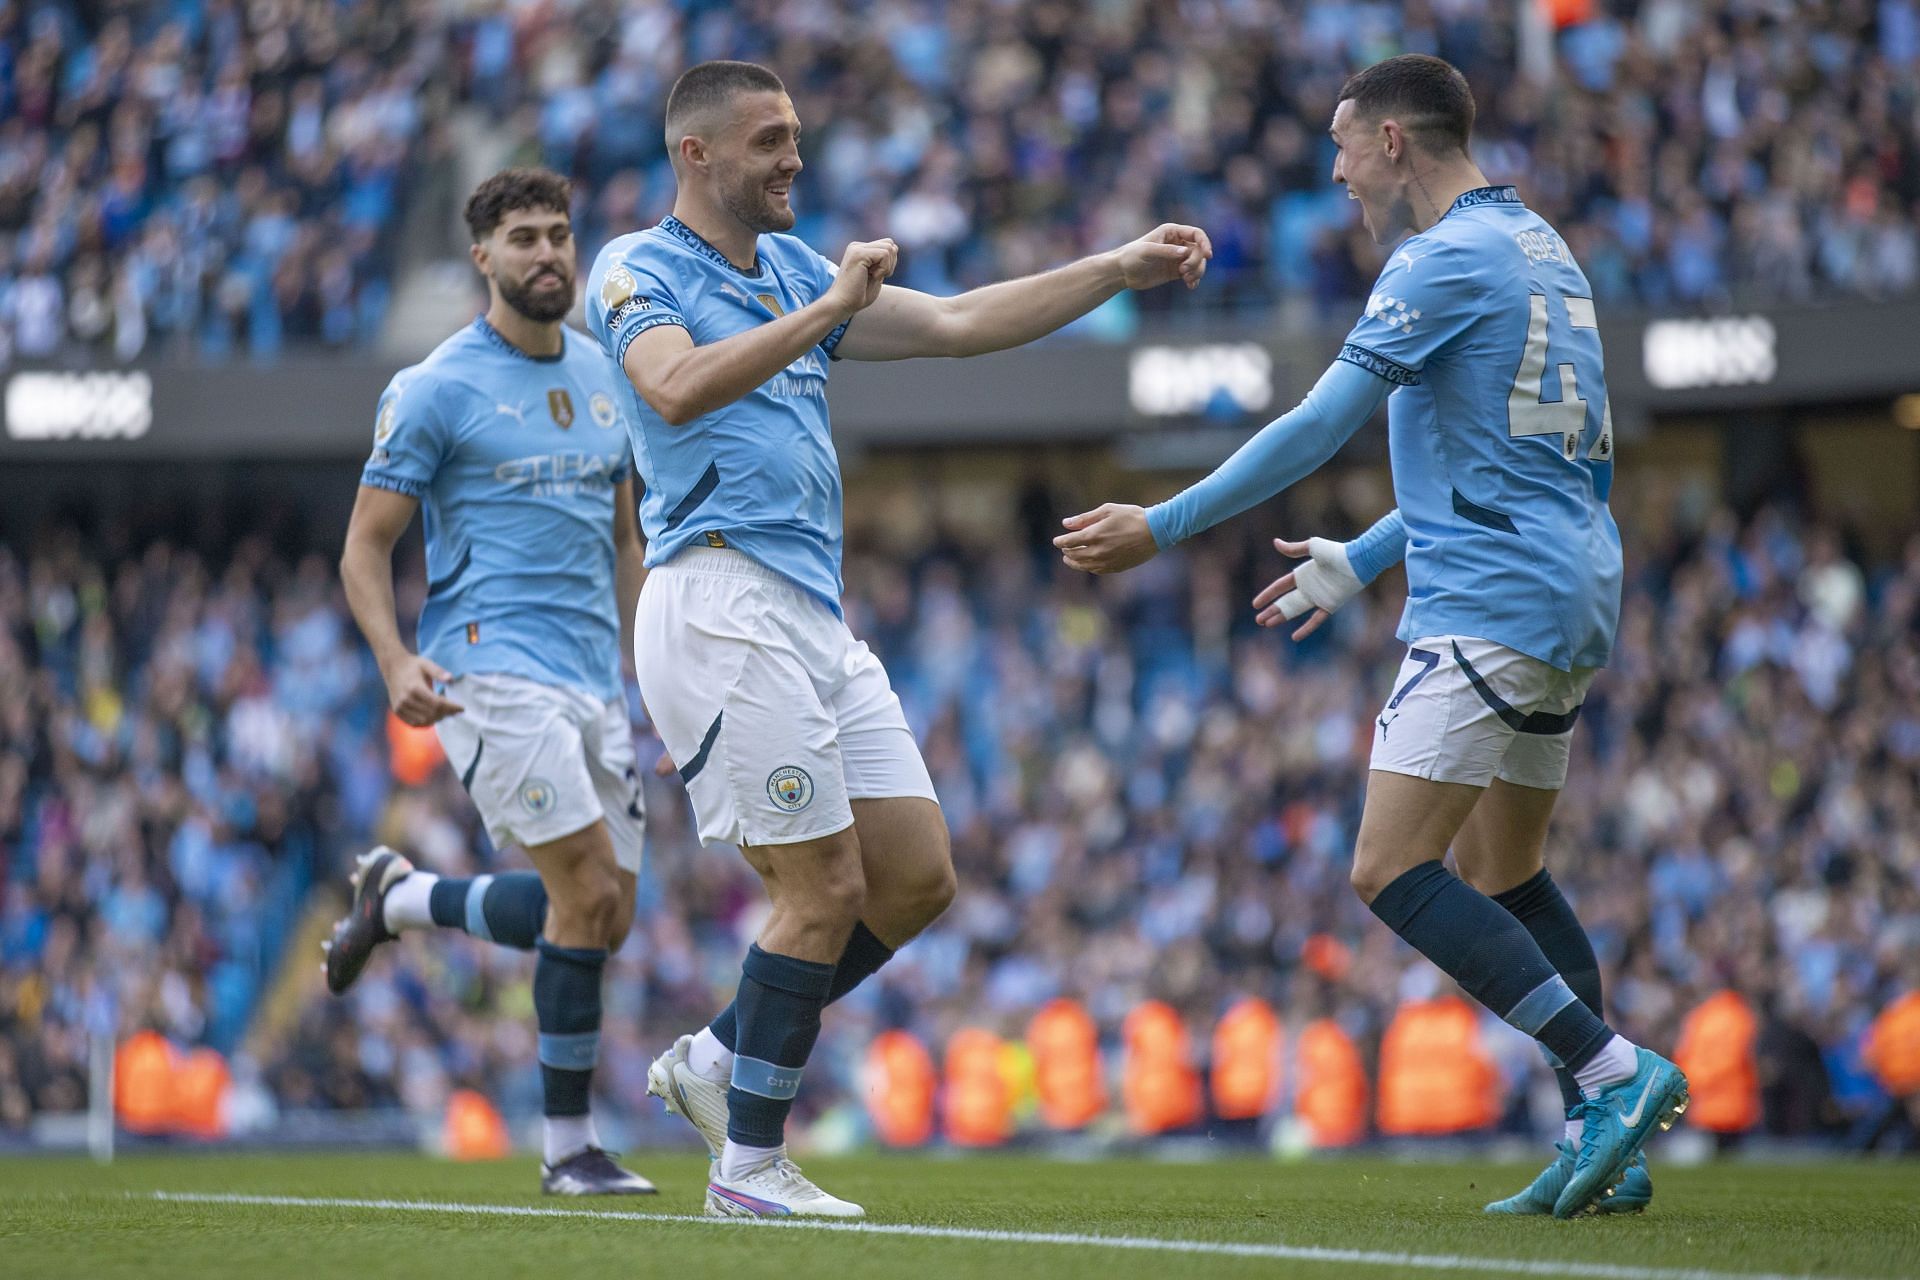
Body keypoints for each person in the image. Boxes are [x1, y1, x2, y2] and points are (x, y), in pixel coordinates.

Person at [1054, 54, 1686, 1219]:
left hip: (1488, 597)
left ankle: (1610, 1073)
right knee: (1509, 871)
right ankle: (1615, 1147)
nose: (1336, 172)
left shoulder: (1438, 259)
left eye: (1345, 147)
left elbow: (1316, 425)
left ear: (1394, 141)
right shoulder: (1542, 248)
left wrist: (1165, 523)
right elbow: (1513, 454)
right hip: (1567, 586)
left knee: (1389, 867)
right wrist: (1362, 556)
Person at [586, 59, 1210, 1219]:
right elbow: (670, 391)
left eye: (796, 136)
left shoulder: (785, 265)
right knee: (820, 883)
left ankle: (721, 1059)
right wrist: (826, 313)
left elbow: (967, 321)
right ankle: (749, 1166)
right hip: (717, 597)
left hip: (813, 613)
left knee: (914, 877)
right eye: (771, 139)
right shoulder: (637, 267)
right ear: (697, 155)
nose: (795, 159)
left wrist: (1115, 264)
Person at [328, 168, 655, 1197]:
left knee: (606, 915)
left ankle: (403, 895)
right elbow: (363, 547)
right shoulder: (435, 386)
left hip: (594, 676)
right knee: (587, 889)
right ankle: (567, 1149)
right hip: (486, 666)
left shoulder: (610, 376)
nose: (548, 253)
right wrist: (393, 659)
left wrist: (659, 666)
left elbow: (625, 537)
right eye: (524, 238)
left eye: (559, 234)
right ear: (484, 258)